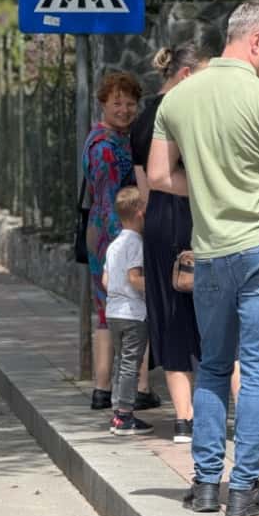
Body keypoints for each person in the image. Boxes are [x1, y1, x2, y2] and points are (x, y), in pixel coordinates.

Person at [148, 0, 259, 516]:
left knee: (214, 366)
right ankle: (243, 489)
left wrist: (204, 191)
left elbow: (155, 177)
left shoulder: (176, 99)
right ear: (255, 39)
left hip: (210, 254)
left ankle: (203, 485)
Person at [129, 44, 209, 443]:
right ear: (186, 76)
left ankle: (183, 419)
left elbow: (143, 185)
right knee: (219, 311)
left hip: (158, 222)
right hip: (192, 214)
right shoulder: (186, 112)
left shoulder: (143, 118)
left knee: (171, 312)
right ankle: (250, 415)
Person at [81, 72, 159, 412]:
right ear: (102, 104)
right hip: (118, 232)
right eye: (117, 103)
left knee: (106, 310)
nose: (125, 110)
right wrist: (130, 236)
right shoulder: (106, 148)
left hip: (101, 234)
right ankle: (138, 388)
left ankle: (102, 388)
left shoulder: (108, 140)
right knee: (135, 309)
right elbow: (115, 198)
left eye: (130, 103)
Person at [102, 186, 154, 435]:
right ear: (140, 213)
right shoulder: (136, 243)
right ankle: (125, 415)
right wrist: (155, 287)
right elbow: (134, 278)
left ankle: (118, 412)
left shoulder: (114, 245)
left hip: (113, 312)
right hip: (133, 313)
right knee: (131, 364)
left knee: (121, 361)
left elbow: (105, 280)